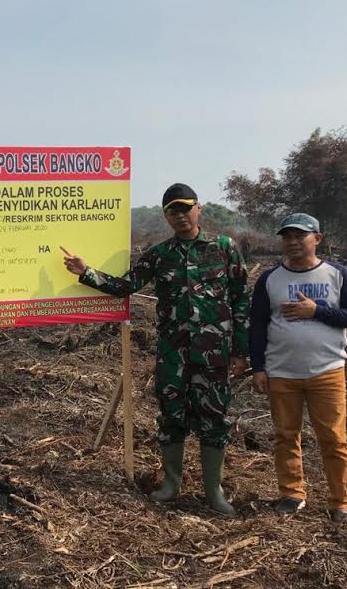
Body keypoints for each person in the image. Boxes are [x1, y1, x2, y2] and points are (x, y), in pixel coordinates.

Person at [63, 183, 249, 516]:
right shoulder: (160, 254)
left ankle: (214, 491)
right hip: (173, 354)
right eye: (172, 211)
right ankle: (171, 484)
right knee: (171, 417)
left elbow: (240, 300)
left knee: (214, 419)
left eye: (185, 208)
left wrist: (240, 351)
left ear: (198, 208)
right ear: (166, 216)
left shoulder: (224, 248)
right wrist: (86, 272)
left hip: (214, 353)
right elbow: (127, 286)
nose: (180, 216)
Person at [250, 213, 347, 525]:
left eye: (299, 236)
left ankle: (341, 502)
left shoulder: (338, 274)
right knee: (285, 435)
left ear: (317, 238)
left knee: (333, 438)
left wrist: (316, 311)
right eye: (287, 237)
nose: (292, 242)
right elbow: (258, 325)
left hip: (326, 371)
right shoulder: (270, 279)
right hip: (281, 371)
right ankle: (291, 493)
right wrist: (258, 367)